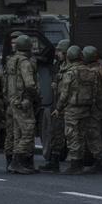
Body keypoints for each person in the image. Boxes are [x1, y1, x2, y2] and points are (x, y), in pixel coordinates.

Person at [55, 44, 102, 175]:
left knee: (72, 135)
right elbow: (96, 91)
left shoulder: (70, 73)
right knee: (83, 135)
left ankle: (76, 164)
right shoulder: (90, 71)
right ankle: (89, 163)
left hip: (72, 109)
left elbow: (64, 94)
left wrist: (58, 108)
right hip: (87, 108)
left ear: (69, 57)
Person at [5, 34, 39, 174]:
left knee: (17, 132)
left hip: (12, 99)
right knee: (28, 131)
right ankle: (16, 162)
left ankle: (24, 163)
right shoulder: (25, 62)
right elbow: (30, 84)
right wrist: (37, 95)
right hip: (22, 101)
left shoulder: (11, 60)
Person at [40, 39, 72, 173]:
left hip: (66, 105)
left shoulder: (70, 69)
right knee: (55, 133)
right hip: (58, 103)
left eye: (60, 51)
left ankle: (73, 161)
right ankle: (54, 160)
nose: (57, 53)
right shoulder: (59, 66)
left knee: (70, 134)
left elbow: (67, 88)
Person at [80, 45, 102, 174]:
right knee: (98, 132)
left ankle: (98, 161)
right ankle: (97, 160)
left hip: (95, 106)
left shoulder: (92, 71)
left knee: (93, 133)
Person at [2, 31, 23, 166]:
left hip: (16, 99)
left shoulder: (20, 60)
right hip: (13, 100)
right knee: (12, 132)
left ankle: (16, 160)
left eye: (16, 42)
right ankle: (12, 160)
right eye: (12, 42)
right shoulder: (10, 60)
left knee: (17, 132)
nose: (13, 44)